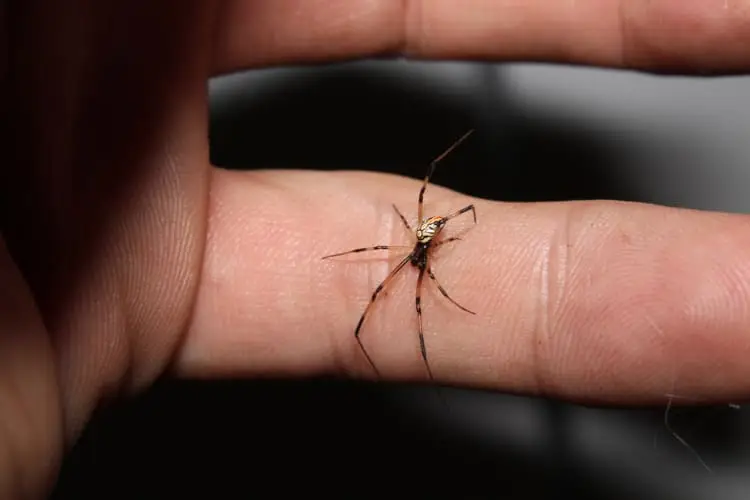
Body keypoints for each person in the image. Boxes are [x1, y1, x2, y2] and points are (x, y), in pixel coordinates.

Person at [3, 1, 750, 497]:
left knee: (416, 267)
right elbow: (412, 218)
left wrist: (437, 254)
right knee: (376, 293)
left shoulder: (434, 228)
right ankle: (405, 328)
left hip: (430, 227)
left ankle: (422, 324)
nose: (424, 255)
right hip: (417, 230)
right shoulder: (415, 236)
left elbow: (430, 210)